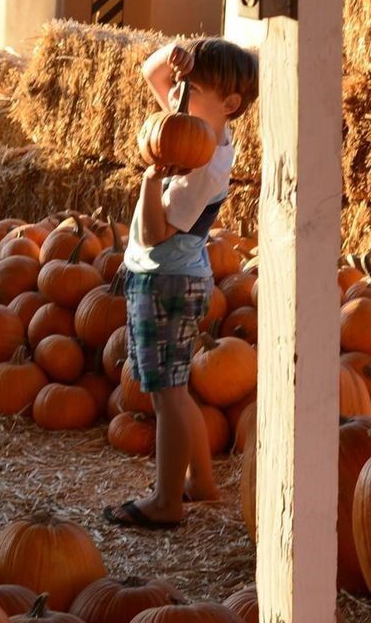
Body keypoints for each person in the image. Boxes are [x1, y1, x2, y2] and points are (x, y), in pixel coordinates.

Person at [104, 37, 258, 529]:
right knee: (177, 389)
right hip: (175, 277)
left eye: (191, 86)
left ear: (229, 104)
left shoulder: (203, 166)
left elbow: (153, 233)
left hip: (165, 280)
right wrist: (177, 54)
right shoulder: (191, 127)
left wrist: (151, 178)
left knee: (165, 395)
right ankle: (201, 483)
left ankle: (166, 501)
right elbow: (152, 72)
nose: (176, 92)